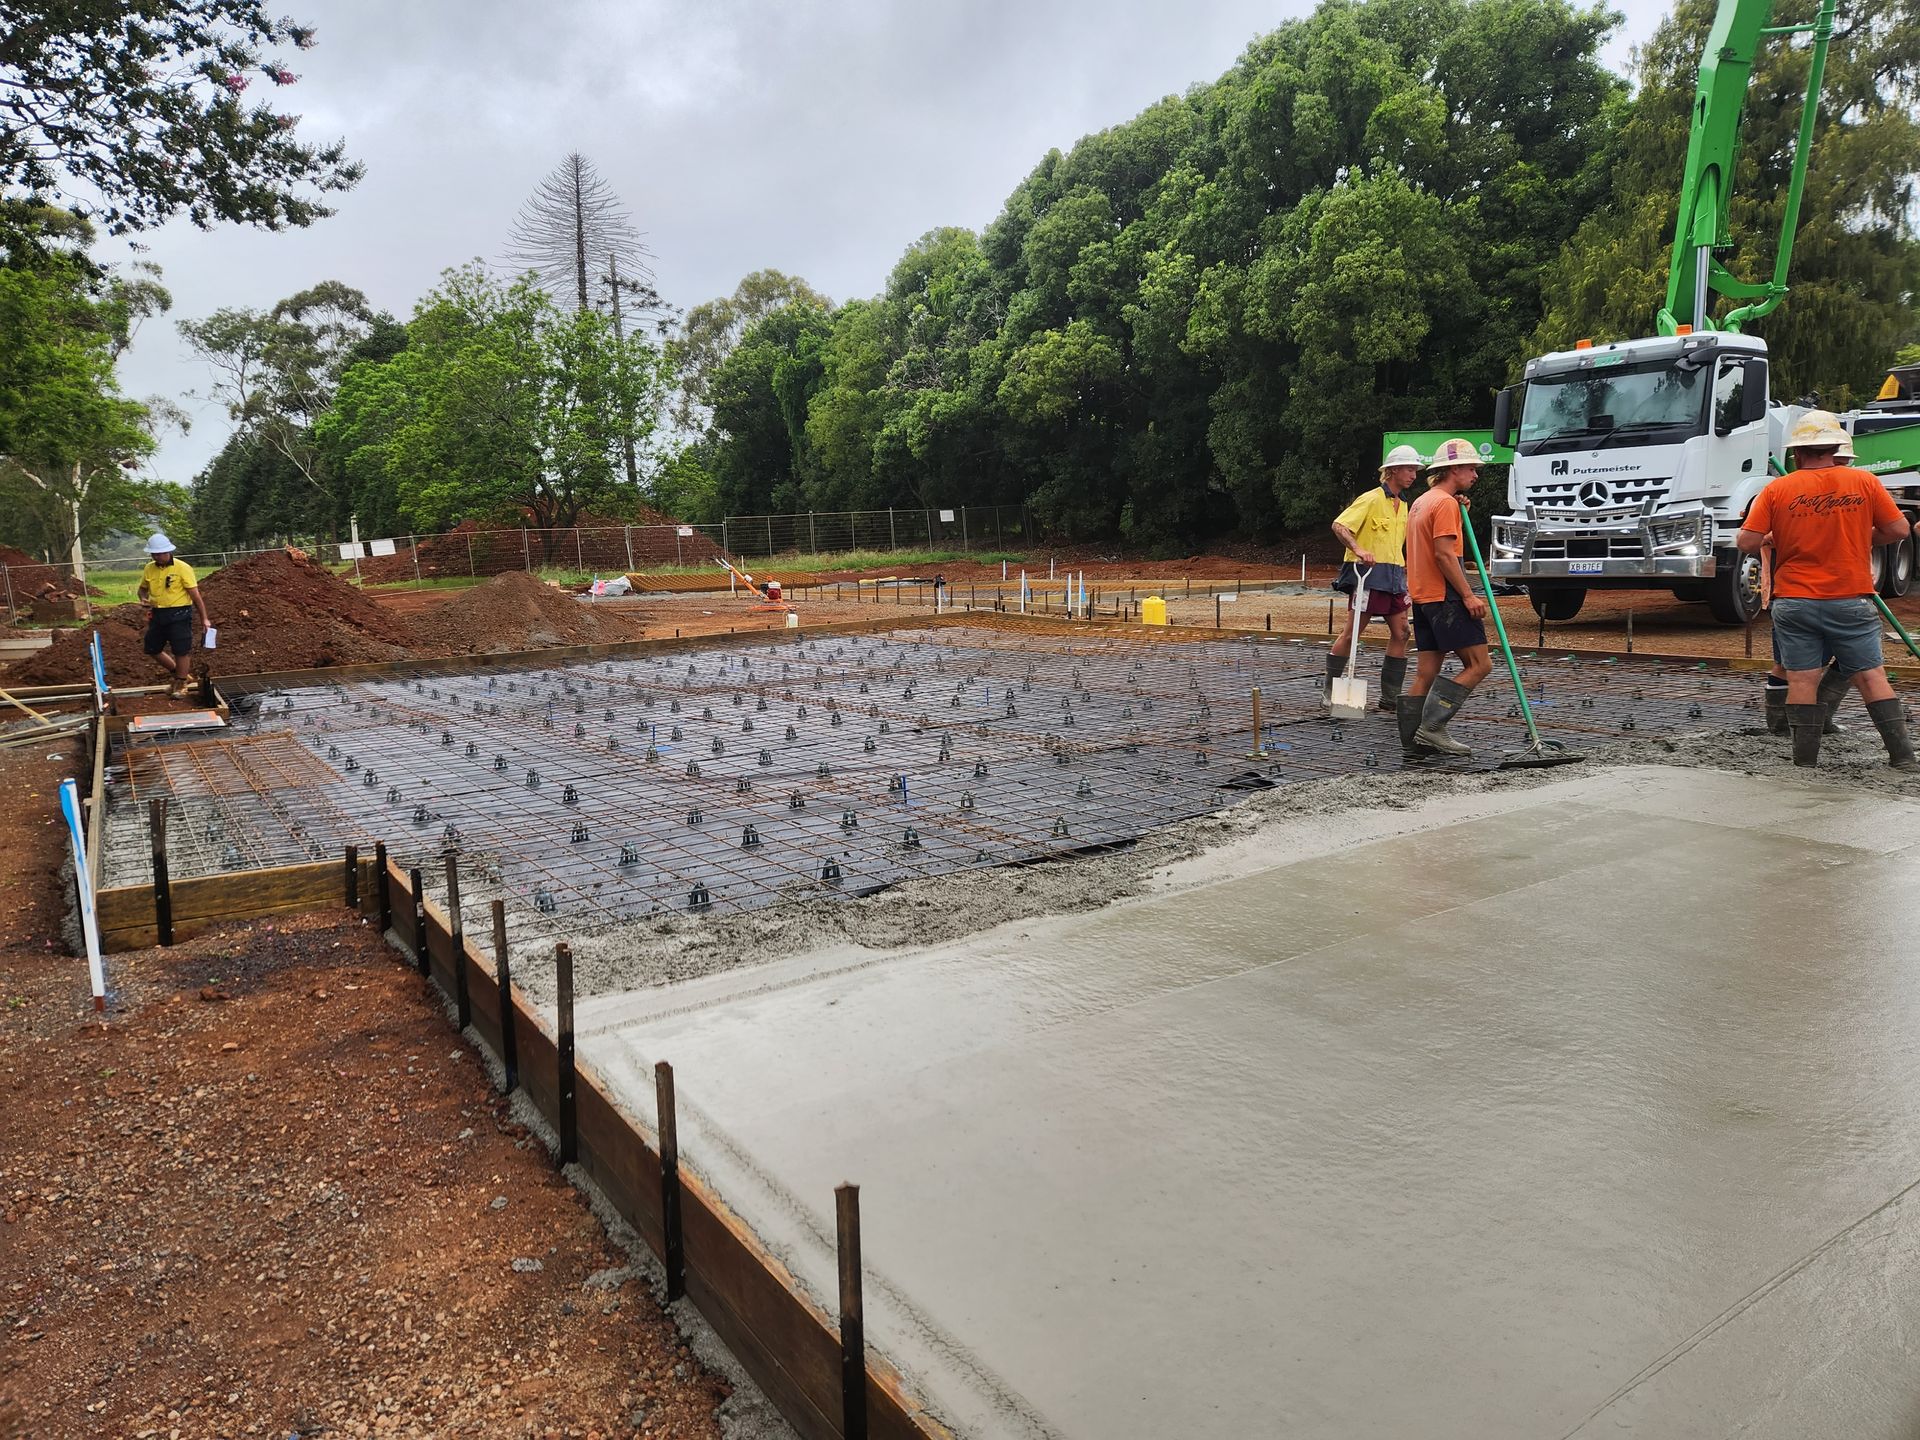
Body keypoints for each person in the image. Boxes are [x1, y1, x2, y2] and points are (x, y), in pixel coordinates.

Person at [1737, 410, 1916, 769]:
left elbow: (1746, 541)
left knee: (1802, 679)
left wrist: (1776, 537)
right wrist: (1860, 538)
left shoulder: (1777, 489)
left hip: (1795, 601)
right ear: (1835, 448)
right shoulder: (1864, 483)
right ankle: (1903, 758)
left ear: (1797, 452)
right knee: (1870, 676)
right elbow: (1899, 530)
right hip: (1850, 598)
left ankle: (1805, 762)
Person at [1399, 438, 1493, 758]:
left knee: (1425, 673)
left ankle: (1413, 742)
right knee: (1480, 664)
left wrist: (1458, 508)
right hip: (1445, 597)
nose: (1475, 474)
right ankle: (1433, 727)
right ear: (1454, 469)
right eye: (1471, 468)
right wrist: (1468, 595)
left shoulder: (1422, 501)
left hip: (1423, 597)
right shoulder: (1445, 504)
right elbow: (1443, 554)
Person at [1326, 443, 1419, 711]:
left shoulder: (1404, 504)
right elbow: (1339, 525)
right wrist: (1358, 549)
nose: (1413, 475)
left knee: (1402, 632)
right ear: (1393, 470)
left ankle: (1390, 698)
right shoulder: (1371, 498)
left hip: (1394, 577)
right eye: (1409, 469)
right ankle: (1331, 692)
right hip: (1368, 576)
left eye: (1415, 470)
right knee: (1352, 633)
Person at [136, 532, 210, 698]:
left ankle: (181, 683)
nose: (156, 557)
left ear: (168, 551)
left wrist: (204, 618)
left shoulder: (182, 568)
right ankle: (180, 675)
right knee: (152, 648)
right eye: (154, 554)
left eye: (160, 554)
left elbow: (195, 596)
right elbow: (142, 589)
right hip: (158, 614)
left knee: (181, 650)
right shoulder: (149, 568)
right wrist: (143, 598)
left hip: (179, 613)